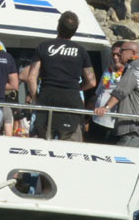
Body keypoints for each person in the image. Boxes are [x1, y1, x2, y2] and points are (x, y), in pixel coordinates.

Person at [23, 11, 96, 141]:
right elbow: (91, 82)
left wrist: (35, 98)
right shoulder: (81, 51)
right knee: (70, 142)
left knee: (42, 140)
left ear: (58, 26)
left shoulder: (43, 46)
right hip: (72, 100)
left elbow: (31, 77)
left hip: (47, 97)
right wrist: (77, 88)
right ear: (75, 30)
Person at [95, 41, 139, 147]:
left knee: (121, 153)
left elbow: (121, 91)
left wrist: (106, 107)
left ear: (132, 53)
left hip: (136, 127)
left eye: (122, 51)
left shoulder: (134, 69)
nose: (120, 54)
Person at [88, 41, 126, 144]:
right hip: (96, 118)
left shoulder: (130, 72)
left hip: (111, 122)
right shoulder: (108, 71)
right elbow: (99, 92)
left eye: (118, 55)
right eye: (113, 54)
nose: (115, 57)